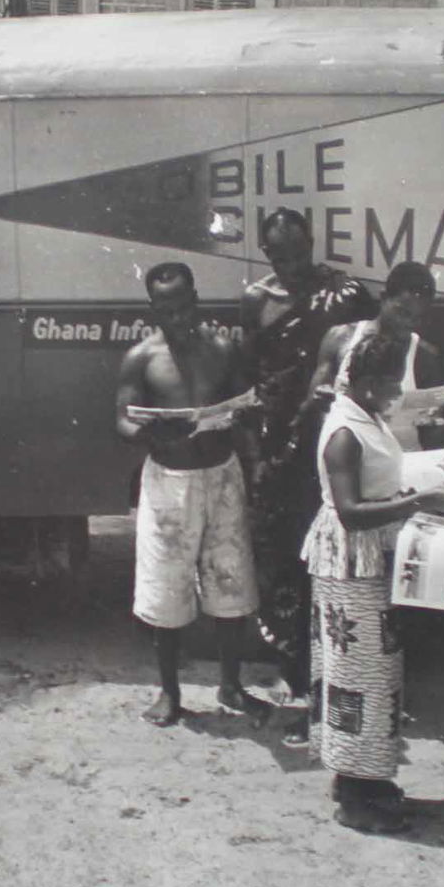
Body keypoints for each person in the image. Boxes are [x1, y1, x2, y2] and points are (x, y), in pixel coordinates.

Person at [303, 333, 444, 832]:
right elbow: (352, 513)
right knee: (358, 678)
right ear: (367, 380)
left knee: (375, 677)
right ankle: (356, 795)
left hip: (370, 561)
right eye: (391, 382)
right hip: (350, 563)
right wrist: (421, 501)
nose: (397, 390)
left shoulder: (365, 418)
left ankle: (367, 779)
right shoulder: (343, 433)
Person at [115, 262, 271, 728]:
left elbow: (248, 404)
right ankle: (169, 692)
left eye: (183, 305)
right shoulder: (141, 358)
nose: (178, 316)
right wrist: (152, 434)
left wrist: (244, 421)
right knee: (166, 588)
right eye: (166, 308)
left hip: (221, 477)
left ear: (195, 300)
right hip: (168, 481)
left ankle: (231, 685)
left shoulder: (223, 349)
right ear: (153, 309)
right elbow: (120, 422)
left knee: (231, 584)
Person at [241, 208, 376, 740]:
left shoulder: (344, 294)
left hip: (331, 445)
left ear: (312, 243)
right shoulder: (256, 301)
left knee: (334, 564)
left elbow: (372, 354)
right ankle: (295, 676)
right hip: (280, 449)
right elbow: (250, 377)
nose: (291, 264)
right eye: (279, 254)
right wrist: (256, 454)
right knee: (284, 568)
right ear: (266, 252)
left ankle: (334, 679)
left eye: (298, 251)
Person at [306, 261, 444, 452]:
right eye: (403, 312)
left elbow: (431, 436)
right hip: (348, 460)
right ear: (383, 298)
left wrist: (442, 422)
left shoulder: (425, 357)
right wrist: (320, 400)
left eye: (417, 317)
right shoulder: (341, 338)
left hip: (402, 466)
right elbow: (312, 406)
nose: (409, 324)